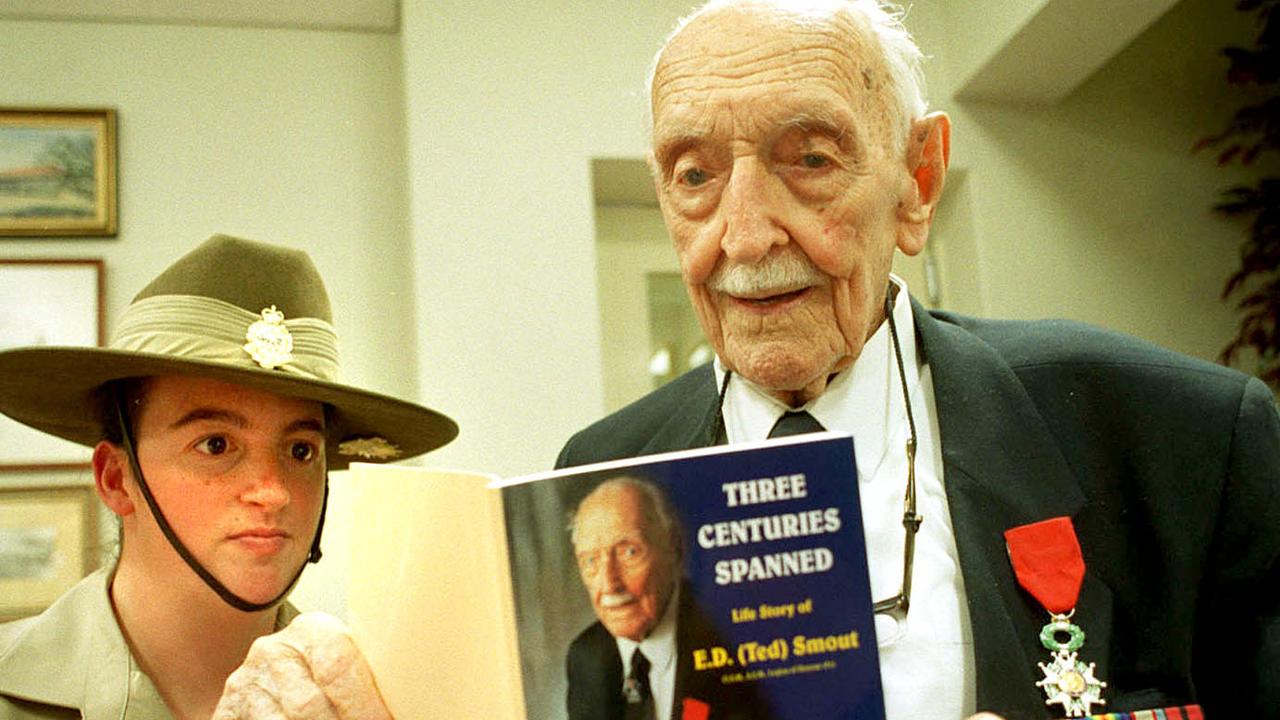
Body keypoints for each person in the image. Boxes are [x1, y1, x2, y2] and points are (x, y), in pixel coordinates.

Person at [556, 1, 1280, 718]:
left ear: (918, 181)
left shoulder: (1180, 436)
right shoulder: (602, 471)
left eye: (810, 159)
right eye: (693, 176)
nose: (743, 238)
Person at [0, 234, 457, 719]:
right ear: (116, 479)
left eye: (301, 450)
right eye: (215, 445)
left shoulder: (392, 701)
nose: (272, 492)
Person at [566, 477, 760, 720]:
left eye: (629, 552)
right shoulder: (585, 656)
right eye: (590, 561)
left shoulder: (735, 638)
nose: (609, 584)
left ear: (675, 551)